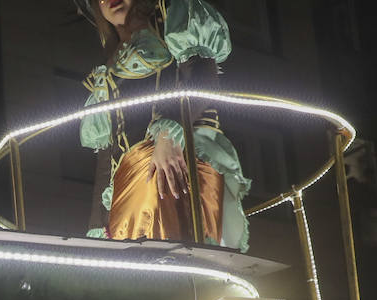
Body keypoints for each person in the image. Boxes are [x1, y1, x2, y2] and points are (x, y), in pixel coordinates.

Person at [77, 0, 251, 250]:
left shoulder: (175, 16)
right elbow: (107, 159)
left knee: (173, 252)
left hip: (183, 158)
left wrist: (168, 135)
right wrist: (96, 229)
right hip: (128, 183)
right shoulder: (106, 74)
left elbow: (203, 78)